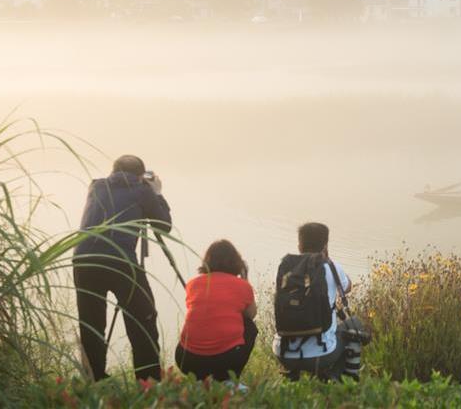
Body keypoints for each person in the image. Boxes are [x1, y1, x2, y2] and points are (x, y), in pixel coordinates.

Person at [72, 155, 172, 381]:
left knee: (91, 324)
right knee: (143, 319)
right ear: (140, 175)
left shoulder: (95, 186)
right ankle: (148, 382)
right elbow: (164, 226)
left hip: (84, 260)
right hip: (120, 262)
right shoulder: (142, 190)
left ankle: (94, 380)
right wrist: (156, 192)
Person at [273, 222, 353, 381]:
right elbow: (348, 287)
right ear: (325, 245)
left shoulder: (286, 267)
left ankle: (292, 375)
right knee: (355, 327)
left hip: (283, 354)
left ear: (299, 245)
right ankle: (339, 379)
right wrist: (328, 259)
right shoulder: (331, 267)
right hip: (321, 355)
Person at [175, 240, 258, 382]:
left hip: (186, 359)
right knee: (250, 326)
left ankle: (200, 383)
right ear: (237, 263)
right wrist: (245, 279)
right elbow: (251, 314)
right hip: (224, 362)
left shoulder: (193, 284)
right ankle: (229, 379)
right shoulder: (242, 286)